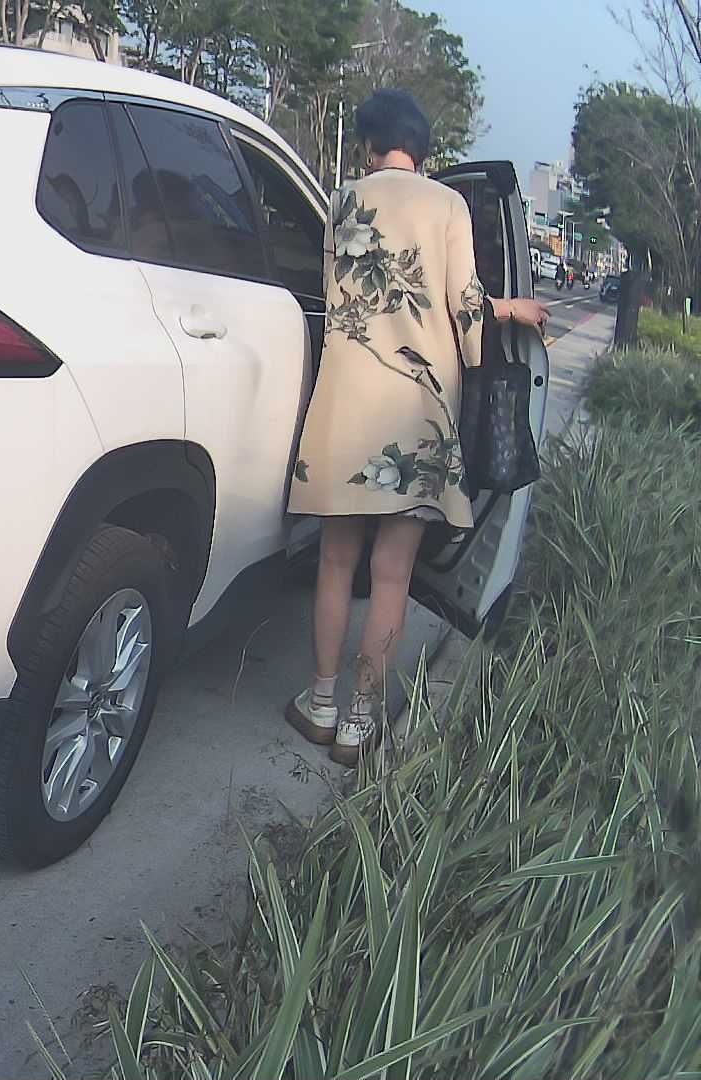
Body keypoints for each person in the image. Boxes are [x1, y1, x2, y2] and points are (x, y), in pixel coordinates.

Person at [286, 89, 549, 766]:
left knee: (335, 562)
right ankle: (359, 722)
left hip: (345, 402)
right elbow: (464, 310)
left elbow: (349, 298)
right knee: (393, 574)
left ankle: (319, 703)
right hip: (419, 412)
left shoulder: (344, 201)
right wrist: (505, 318)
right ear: (422, 149)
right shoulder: (449, 205)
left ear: (368, 145)